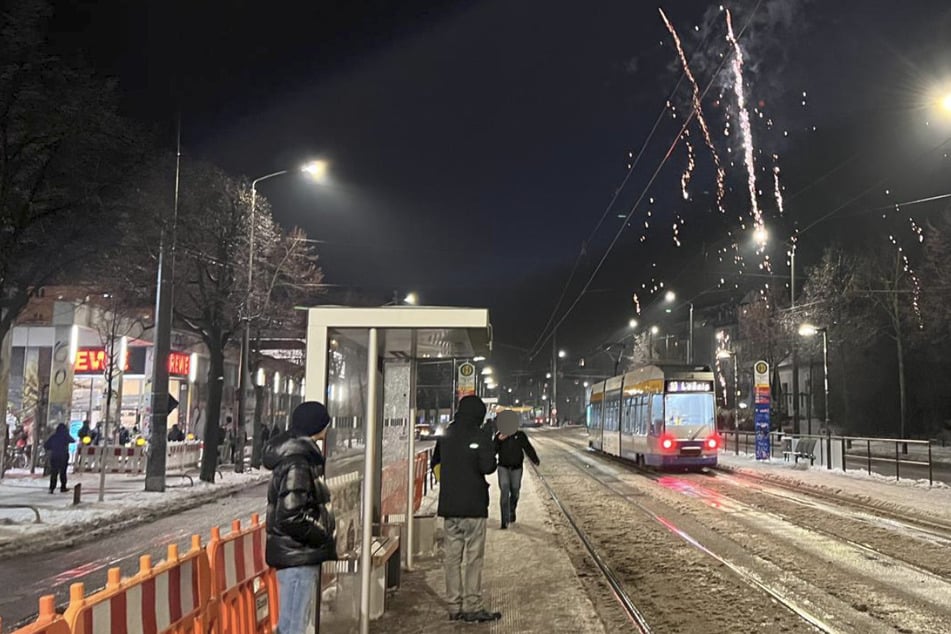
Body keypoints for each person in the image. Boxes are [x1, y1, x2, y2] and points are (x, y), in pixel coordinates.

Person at [264, 401, 337, 633]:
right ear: (316, 425)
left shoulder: (298, 457)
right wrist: (321, 533)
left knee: (291, 624)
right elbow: (291, 514)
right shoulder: (299, 462)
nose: (328, 426)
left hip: (296, 555)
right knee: (294, 626)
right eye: (325, 422)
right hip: (298, 555)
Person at [430, 395, 501, 623]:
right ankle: (472, 605)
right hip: (474, 507)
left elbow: (435, 464)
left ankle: (454, 605)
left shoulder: (446, 434)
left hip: (450, 507)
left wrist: (449, 485)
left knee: (452, 558)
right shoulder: (479, 435)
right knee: (473, 558)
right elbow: (488, 467)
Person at [493, 411, 540, 529]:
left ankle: (511, 509)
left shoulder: (520, 435)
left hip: (516, 468)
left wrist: (535, 459)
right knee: (504, 490)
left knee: (515, 491)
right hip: (503, 467)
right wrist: (498, 440)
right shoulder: (499, 435)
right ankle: (504, 520)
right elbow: (492, 451)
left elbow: (528, 448)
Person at [44, 423, 77, 494]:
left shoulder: (53, 436)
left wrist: (52, 448)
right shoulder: (65, 436)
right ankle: (63, 487)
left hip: (54, 456)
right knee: (63, 472)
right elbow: (73, 440)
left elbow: (46, 445)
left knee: (54, 473)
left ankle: (51, 488)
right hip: (63, 456)